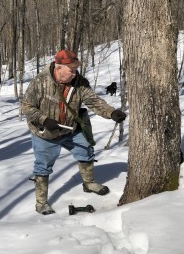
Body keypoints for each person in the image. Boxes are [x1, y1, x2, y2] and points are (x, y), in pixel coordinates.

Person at [22, 50, 126, 215]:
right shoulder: (40, 81)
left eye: (76, 69)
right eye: (71, 70)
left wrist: (111, 112)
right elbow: (26, 107)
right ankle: (41, 203)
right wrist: (44, 120)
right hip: (46, 134)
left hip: (72, 129)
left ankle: (89, 183)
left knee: (86, 151)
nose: (74, 73)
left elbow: (93, 101)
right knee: (43, 166)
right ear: (58, 68)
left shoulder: (79, 82)